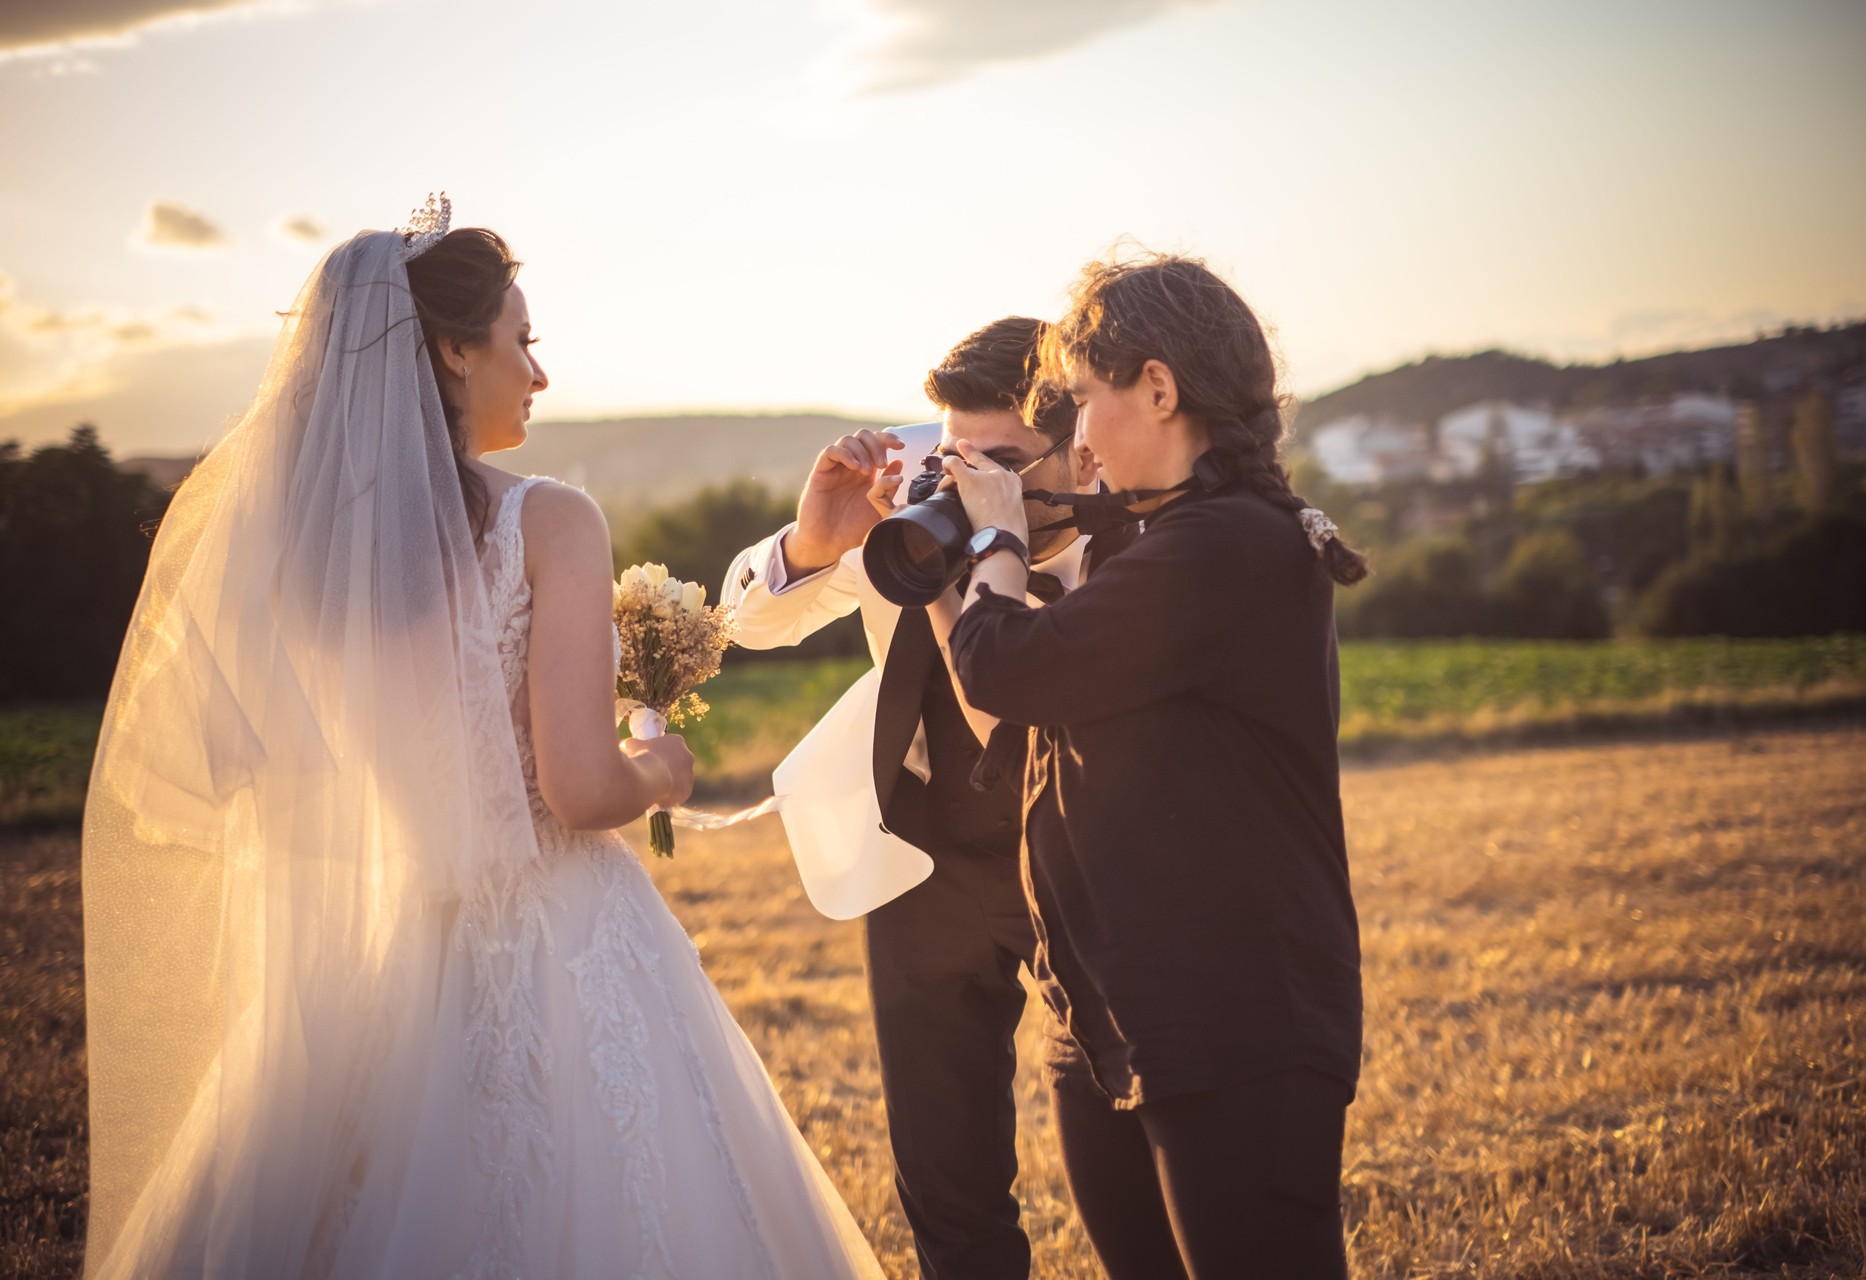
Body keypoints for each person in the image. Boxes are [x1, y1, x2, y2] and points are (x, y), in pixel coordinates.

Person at [80, 204, 882, 1279]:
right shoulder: (548, 520)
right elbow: (581, 789)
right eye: (523, 342)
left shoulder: (296, 554)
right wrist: (663, 766)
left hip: (384, 940)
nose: (539, 374)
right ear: (453, 352)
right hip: (555, 933)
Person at [941, 253, 1370, 1280]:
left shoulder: (1225, 546)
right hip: (1104, 1015)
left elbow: (1006, 666)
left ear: (1160, 388)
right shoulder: (1161, 542)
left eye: (1086, 399)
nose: (1077, 438)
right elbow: (1024, 735)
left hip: (1231, 1022)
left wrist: (995, 534)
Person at [723, 317, 1115, 1279]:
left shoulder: (1130, 553)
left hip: (1080, 856)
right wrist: (815, 543)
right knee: (943, 1172)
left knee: (1127, 1127)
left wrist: (1007, 547)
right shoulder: (912, 518)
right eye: (955, 457)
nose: (971, 487)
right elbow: (751, 622)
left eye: (1007, 466)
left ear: (1085, 454)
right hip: (922, 860)